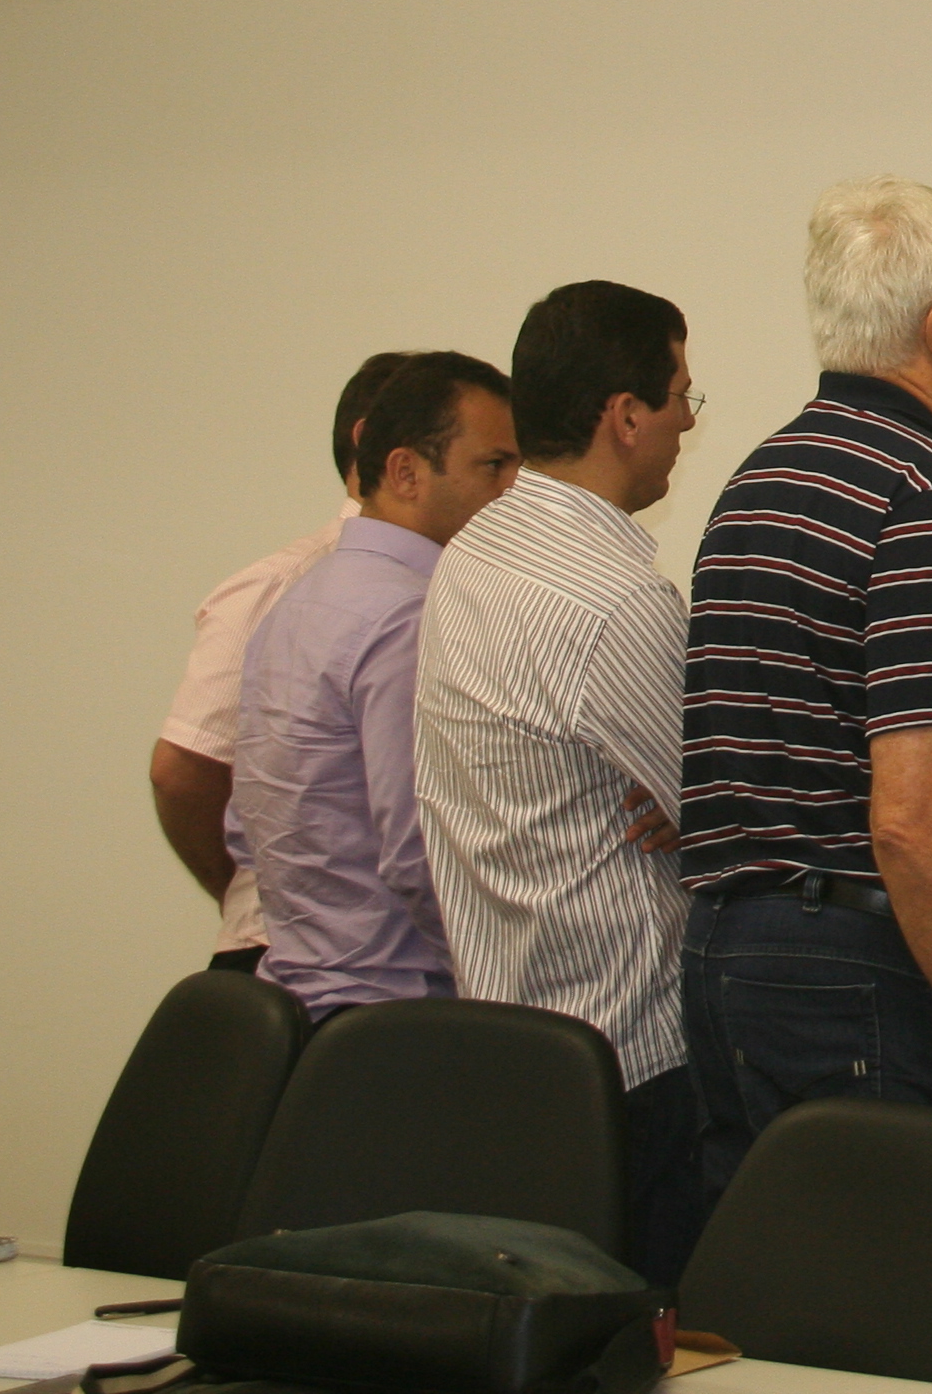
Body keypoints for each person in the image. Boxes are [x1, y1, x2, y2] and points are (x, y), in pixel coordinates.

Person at [678, 179, 932, 1198]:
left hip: (728, 958)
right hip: (860, 968)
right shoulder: (925, 490)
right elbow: (914, 819)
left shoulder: (759, 479)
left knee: (779, 1278)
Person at [417, 282, 711, 1280]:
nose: (687, 421)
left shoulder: (472, 554)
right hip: (630, 1063)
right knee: (640, 1330)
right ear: (624, 417)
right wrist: (698, 811)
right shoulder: (616, 600)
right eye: (680, 394)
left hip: (507, 1053)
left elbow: (685, 801)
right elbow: (723, 818)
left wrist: (686, 807)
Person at [236, 352, 519, 1018]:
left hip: (306, 995)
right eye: (493, 465)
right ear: (405, 472)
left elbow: (242, 830)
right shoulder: (410, 617)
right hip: (399, 1007)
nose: (513, 491)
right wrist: (508, 976)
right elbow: (421, 850)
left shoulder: (296, 602)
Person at [150, 350, 406, 972]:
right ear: (375, 447)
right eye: (491, 458)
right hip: (289, 956)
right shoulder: (280, 585)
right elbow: (183, 770)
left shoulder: (457, 590)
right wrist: (252, 892)